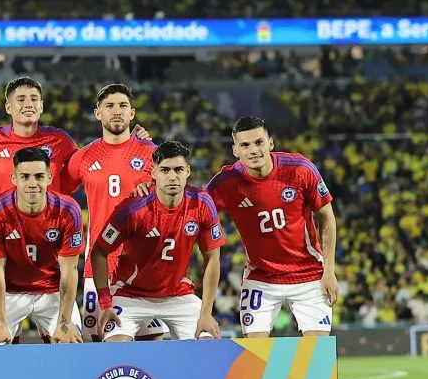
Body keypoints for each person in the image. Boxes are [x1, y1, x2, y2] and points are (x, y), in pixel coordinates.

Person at [205, 116, 338, 337]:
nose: (253, 150)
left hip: (309, 273)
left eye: (259, 142)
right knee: (256, 356)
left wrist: (329, 271)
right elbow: (191, 206)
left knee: (317, 356)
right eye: (245, 145)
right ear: (236, 150)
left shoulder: (300, 169)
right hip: (261, 278)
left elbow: (327, 217)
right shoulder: (225, 182)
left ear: (271, 144)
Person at [91, 141, 224, 341]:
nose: (172, 176)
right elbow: (99, 252)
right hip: (130, 295)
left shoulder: (202, 203)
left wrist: (206, 313)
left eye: (178, 169)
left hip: (178, 295)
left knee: (208, 347)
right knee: (115, 350)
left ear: (188, 171)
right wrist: (105, 302)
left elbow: (212, 258)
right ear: (153, 173)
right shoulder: (132, 209)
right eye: (165, 170)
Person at [65, 83, 167, 341]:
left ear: (132, 113)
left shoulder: (153, 155)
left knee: (152, 348)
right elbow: (55, 194)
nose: (117, 111)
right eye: (109, 106)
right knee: (97, 348)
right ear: (97, 113)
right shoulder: (83, 157)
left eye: (123, 106)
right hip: (99, 266)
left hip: (144, 268)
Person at [0, 148, 83, 345]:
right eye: (25, 176)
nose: (32, 183)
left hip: (52, 291)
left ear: (50, 178)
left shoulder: (68, 210)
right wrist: (0, 322)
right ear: (14, 178)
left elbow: (69, 273)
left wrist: (64, 321)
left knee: (70, 344)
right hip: (8, 291)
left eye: (39, 176)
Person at [0, 77, 80, 197]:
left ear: (41, 107)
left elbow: (81, 170)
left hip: (48, 215)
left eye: (34, 99)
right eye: (21, 100)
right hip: (3, 215)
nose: (28, 105)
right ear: (8, 107)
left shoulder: (59, 140)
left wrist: (57, 191)